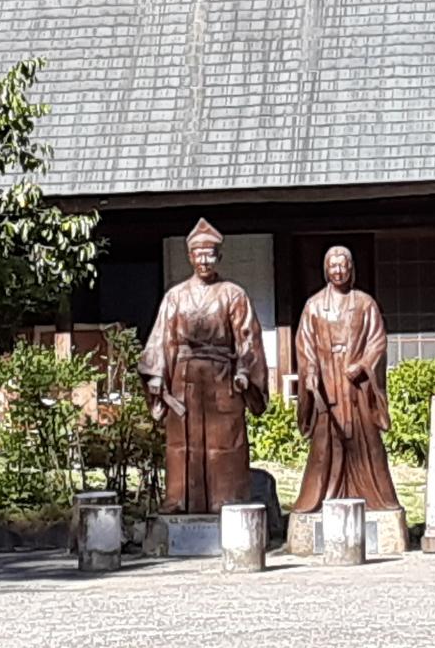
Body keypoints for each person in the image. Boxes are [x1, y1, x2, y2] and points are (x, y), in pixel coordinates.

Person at [140, 218, 268, 513]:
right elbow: (161, 337)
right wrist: (157, 374)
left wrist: (245, 372)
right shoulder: (176, 296)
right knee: (181, 440)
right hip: (183, 379)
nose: (205, 260)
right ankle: (179, 499)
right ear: (190, 257)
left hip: (222, 377)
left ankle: (228, 498)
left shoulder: (232, 294)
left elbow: (247, 338)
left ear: (219, 257)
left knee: (225, 438)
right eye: (199, 254)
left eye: (210, 254)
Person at [293, 245, 402, 513]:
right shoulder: (314, 305)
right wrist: (310, 373)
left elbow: (378, 341)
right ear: (326, 270)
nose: (338, 271)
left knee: (367, 442)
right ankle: (321, 497)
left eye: (343, 265)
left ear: (351, 269)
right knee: (325, 443)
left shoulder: (364, 304)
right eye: (333, 265)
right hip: (327, 381)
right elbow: (304, 344)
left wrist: (364, 364)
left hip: (356, 385)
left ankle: (375, 497)